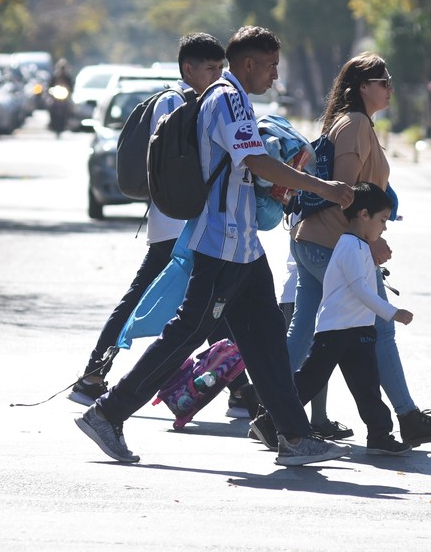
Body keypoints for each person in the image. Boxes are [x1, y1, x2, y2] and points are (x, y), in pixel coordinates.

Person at [75, 26, 355, 466]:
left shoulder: (230, 97)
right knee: (184, 334)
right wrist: (322, 186)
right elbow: (256, 161)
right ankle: (108, 412)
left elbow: (252, 169)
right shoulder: (228, 98)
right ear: (248, 64)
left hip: (243, 247)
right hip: (221, 245)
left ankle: (294, 437)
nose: (275, 76)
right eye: (270, 66)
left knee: (266, 341)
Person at [67, 33, 258, 417]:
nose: (218, 75)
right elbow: (177, 166)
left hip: (190, 223)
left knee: (209, 309)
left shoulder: (198, 99)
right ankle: (93, 375)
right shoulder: (175, 101)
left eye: (221, 68)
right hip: (176, 224)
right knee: (156, 301)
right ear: (188, 69)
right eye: (211, 68)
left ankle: (241, 391)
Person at [286, 52, 431, 448]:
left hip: (315, 241)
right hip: (335, 245)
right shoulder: (355, 125)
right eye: (383, 80)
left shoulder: (353, 123)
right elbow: (345, 192)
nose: (390, 88)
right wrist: (373, 239)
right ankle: (406, 417)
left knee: (306, 333)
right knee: (381, 328)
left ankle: (275, 409)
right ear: (363, 87)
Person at [250, 182, 413, 455]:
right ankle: (269, 421)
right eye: (382, 220)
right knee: (308, 382)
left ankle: (379, 436)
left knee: (367, 387)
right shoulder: (349, 246)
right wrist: (391, 313)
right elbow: (359, 288)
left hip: (359, 330)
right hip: (335, 331)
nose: (384, 227)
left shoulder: (361, 245)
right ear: (363, 215)